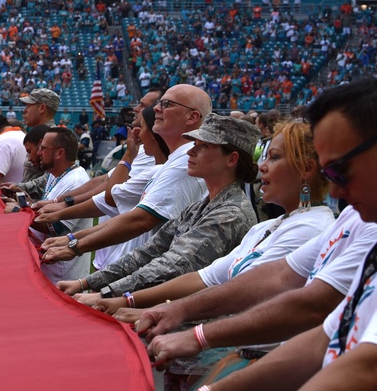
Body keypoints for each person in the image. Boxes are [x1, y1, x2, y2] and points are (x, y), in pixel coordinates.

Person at [154, 78, 377, 391]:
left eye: (340, 169)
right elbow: (318, 322)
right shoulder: (350, 216)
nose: (336, 189)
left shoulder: (317, 223)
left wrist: (193, 332)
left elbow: (315, 311)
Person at [88, 121, 334, 386]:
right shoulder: (267, 225)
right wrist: (124, 299)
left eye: (274, 157)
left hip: (246, 362)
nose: (263, 166)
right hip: (217, 351)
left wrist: (124, 298)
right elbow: (205, 276)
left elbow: (236, 289)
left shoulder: (309, 227)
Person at [56, 114, 260, 300]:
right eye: (194, 143)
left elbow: (174, 264)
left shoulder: (231, 213)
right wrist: (86, 283)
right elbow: (148, 251)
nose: (191, 151)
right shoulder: (201, 207)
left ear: (231, 159)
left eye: (204, 146)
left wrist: (107, 293)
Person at [40, 85, 210, 266]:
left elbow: (138, 218)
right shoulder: (174, 160)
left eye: (167, 104)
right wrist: (72, 238)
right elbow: (127, 210)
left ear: (192, 117)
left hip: (142, 277)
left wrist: (74, 244)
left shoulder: (185, 160)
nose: (157, 108)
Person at [29, 127, 93, 284]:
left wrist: (21, 212)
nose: (38, 153)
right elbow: (45, 208)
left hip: (62, 276)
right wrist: (26, 202)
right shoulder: (56, 174)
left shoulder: (76, 181)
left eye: (43, 148)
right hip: (50, 267)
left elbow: (57, 228)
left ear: (59, 153)